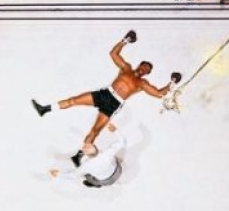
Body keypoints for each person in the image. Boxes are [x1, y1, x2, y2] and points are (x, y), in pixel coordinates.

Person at [31, 32, 180, 166]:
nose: (144, 69)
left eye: (147, 70)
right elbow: (113, 54)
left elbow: (159, 93)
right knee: (74, 100)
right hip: (105, 94)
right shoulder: (126, 68)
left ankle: (78, 156)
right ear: (139, 65)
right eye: (144, 66)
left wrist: (171, 83)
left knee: (95, 129)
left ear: (147, 74)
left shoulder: (142, 83)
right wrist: (125, 41)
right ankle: (44, 109)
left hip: (114, 104)